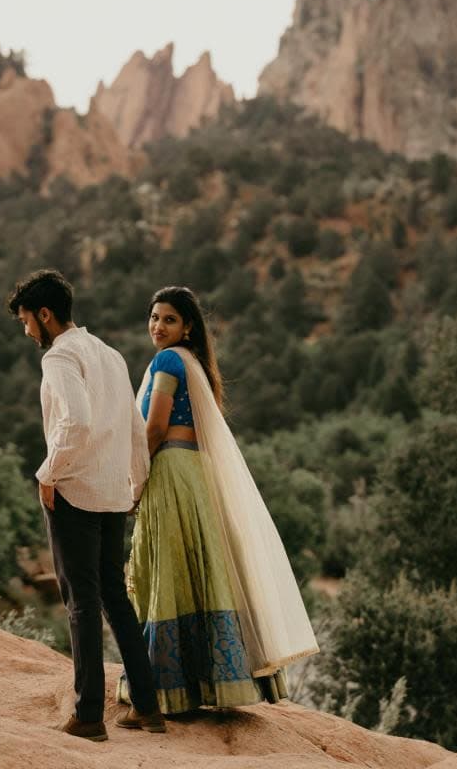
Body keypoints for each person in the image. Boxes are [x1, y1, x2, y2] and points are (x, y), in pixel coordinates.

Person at [118, 286, 319, 716]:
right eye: (154, 317)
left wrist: (134, 483)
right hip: (194, 472)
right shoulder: (196, 364)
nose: (158, 326)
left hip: (170, 470)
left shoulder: (168, 360)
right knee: (199, 569)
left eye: (169, 319)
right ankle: (207, 682)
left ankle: (163, 693)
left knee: (168, 575)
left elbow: (153, 429)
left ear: (187, 326)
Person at [6, 269, 166, 742]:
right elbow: (136, 428)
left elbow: (75, 421)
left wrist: (48, 472)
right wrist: (135, 482)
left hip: (74, 489)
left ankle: (89, 715)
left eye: (26, 320)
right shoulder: (111, 355)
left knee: (81, 603)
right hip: (113, 489)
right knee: (115, 598)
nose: (26, 329)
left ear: (46, 315)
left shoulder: (59, 357)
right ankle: (147, 707)